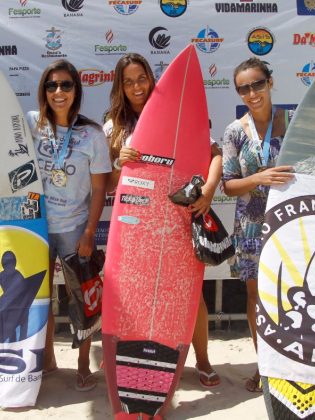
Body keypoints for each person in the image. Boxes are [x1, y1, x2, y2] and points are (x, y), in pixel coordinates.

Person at [0, 59, 111, 392]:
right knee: (36, 296)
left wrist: (90, 232)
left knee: (81, 298)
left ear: (77, 90)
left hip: (74, 228)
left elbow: (100, 187)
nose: (58, 92)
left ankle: (82, 363)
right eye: (51, 85)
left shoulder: (91, 133)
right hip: (34, 225)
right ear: (43, 91)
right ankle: (45, 360)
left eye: (66, 85)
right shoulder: (30, 123)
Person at [104, 52, 221, 388]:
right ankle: (137, 362)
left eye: (142, 78)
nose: (136, 87)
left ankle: (202, 360)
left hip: (178, 216)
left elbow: (215, 156)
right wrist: (118, 164)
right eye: (128, 82)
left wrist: (209, 191)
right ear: (120, 87)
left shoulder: (178, 114)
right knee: (133, 293)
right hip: (136, 224)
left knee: (189, 294)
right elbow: (108, 184)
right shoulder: (114, 126)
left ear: (152, 80)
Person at [221, 57, 294, 392]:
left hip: (294, 226)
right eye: (244, 88)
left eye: (257, 84)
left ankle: (293, 366)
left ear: (270, 82)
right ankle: (264, 366)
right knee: (256, 298)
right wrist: (260, 177)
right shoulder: (235, 131)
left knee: (293, 297)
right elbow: (228, 185)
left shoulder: (295, 122)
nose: (252, 93)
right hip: (251, 228)